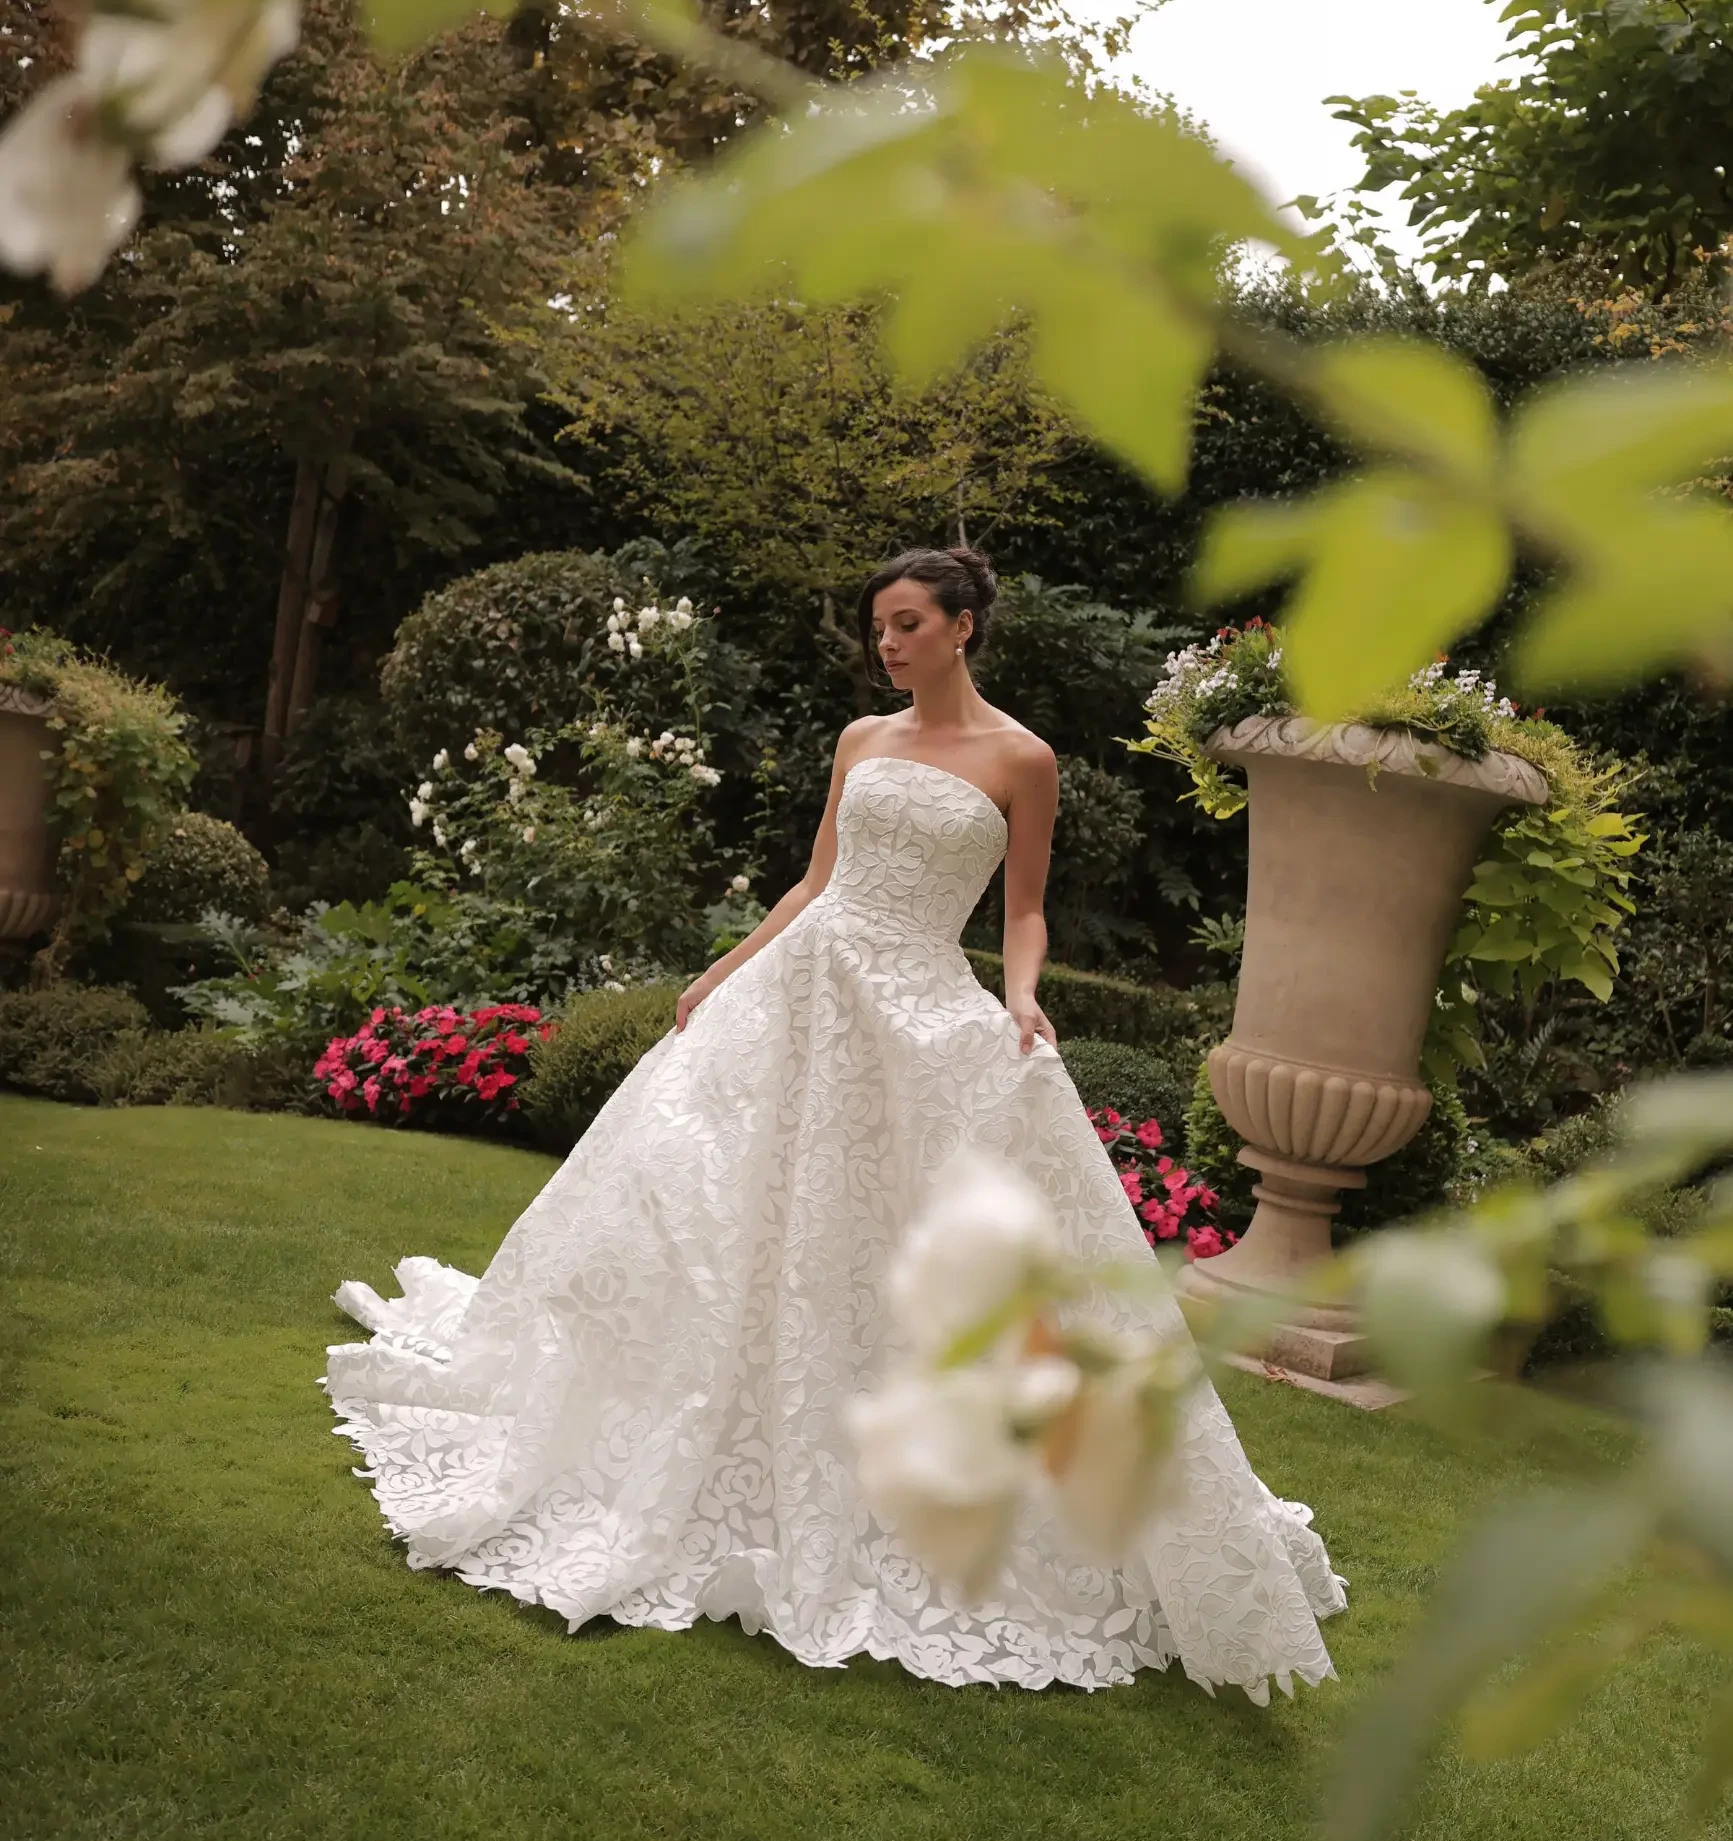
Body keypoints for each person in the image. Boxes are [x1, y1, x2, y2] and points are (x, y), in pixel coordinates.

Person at [325, 545, 1344, 1698]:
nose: (887, 643)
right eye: (879, 628)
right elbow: (817, 882)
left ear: (961, 625)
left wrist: (1020, 997)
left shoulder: (1022, 757)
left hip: (913, 1001)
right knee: (719, 1210)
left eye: (907, 622)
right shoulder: (862, 737)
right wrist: (723, 969)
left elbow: (1021, 912)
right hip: (799, 991)